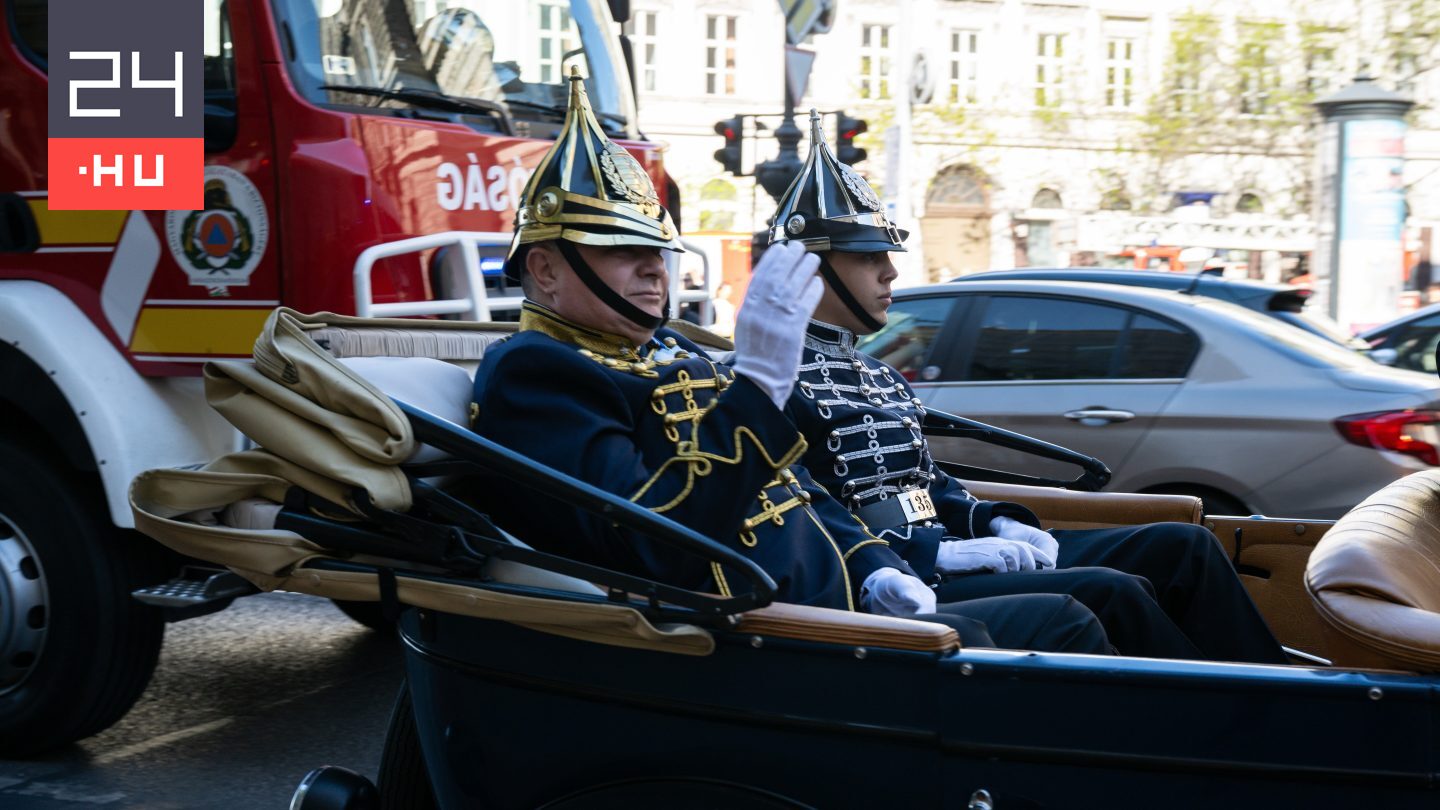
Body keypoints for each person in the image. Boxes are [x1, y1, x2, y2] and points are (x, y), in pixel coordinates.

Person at [469, 69, 1110, 654]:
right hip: (761, 636)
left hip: (835, 602)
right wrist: (756, 387)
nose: (653, 269)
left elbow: (792, 488)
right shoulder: (538, 371)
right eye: (620, 250)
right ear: (545, 269)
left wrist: (873, 566)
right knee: (1068, 620)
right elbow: (658, 539)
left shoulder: (672, 351)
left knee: (1106, 597)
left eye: (657, 250)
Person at [766, 110, 1287, 664]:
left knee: (1184, 546)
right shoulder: (768, 383)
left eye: (886, 256)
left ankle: (1280, 686)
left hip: (950, 548)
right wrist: (929, 553)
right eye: (867, 258)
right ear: (807, 268)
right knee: (1113, 592)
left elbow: (926, 483)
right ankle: (1236, 708)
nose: (890, 272)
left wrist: (995, 519)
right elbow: (800, 508)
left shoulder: (879, 372)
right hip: (900, 580)